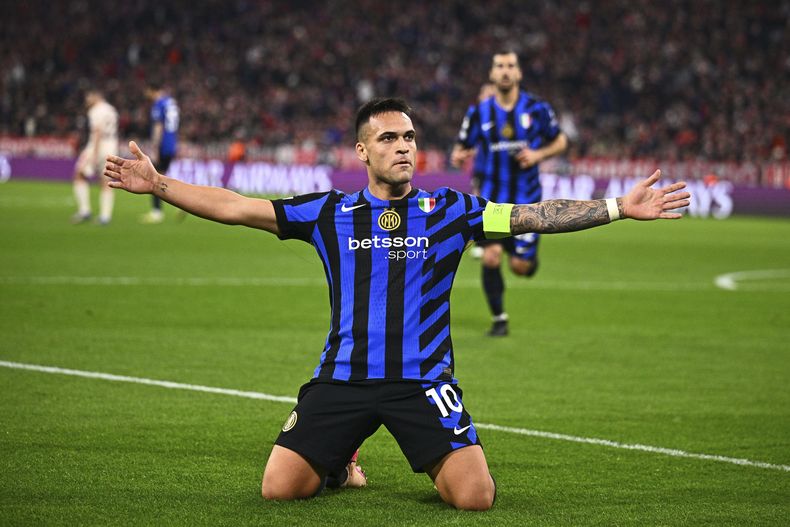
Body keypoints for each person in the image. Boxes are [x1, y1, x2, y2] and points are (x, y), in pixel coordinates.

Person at [103, 98, 689, 510]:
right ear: (362, 150)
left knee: (475, 498)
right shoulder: (329, 212)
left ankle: (353, 451)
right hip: (344, 379)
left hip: (422, 381)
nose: (403, 147)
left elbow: (532, 216)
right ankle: (339, 459)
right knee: (279, 490)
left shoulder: (452, 210)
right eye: (389, 138)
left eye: (409, 137)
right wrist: (158, 185)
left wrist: (617, 207)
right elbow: (237, 206)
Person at [451, 51, 569, 337]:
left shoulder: (537, 109)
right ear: (492, 74)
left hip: (527, 199)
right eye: (500, 66)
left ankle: (524, 257)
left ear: (519, 74)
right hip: (491, 201)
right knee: (490, 257)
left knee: (520, 266)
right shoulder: (479, 112)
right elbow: (460, 146)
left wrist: (538, 154)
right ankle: (499, 319)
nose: (505, 71)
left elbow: (561, 141)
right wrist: (458, 155)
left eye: (510, 66)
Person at [71, 90, 119, 225]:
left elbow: (97, 131)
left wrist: (94, 154)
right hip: (111, 147)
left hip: (97, 147)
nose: (87, 100)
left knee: (78, 174)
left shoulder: (95, 110)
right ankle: (105, 216)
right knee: (106, 180)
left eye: (88, 97)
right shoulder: (112, 110)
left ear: (96, 96)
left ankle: (84, 210)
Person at [140, 82, 179, 224]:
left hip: (163, 144)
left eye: (147, 91)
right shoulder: (171, 102)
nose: (146, 95)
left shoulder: (158, 104)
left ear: (152, 90)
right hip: (172, 143)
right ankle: (184, 201)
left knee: (154, 178)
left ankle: (157, 212)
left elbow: (158, 126)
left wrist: (155, 148)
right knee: (162, 176)